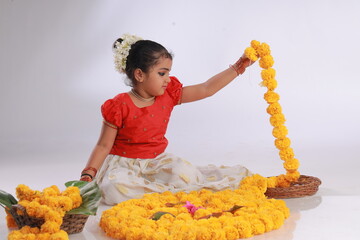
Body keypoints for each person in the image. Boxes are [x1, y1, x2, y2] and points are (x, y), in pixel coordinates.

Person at [80, 34, 254, 205]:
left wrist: (239, 67)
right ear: (139, 75)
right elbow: (103, 146)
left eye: (168, 73)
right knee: (113, 188)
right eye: (162, 73)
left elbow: (206, 88)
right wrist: (88, 175)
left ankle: (165, 193)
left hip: (156, 162)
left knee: (183, 171)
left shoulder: (168, 95)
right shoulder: (118, 105)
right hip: (124, 166)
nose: (167, 80)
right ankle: (173, 194)